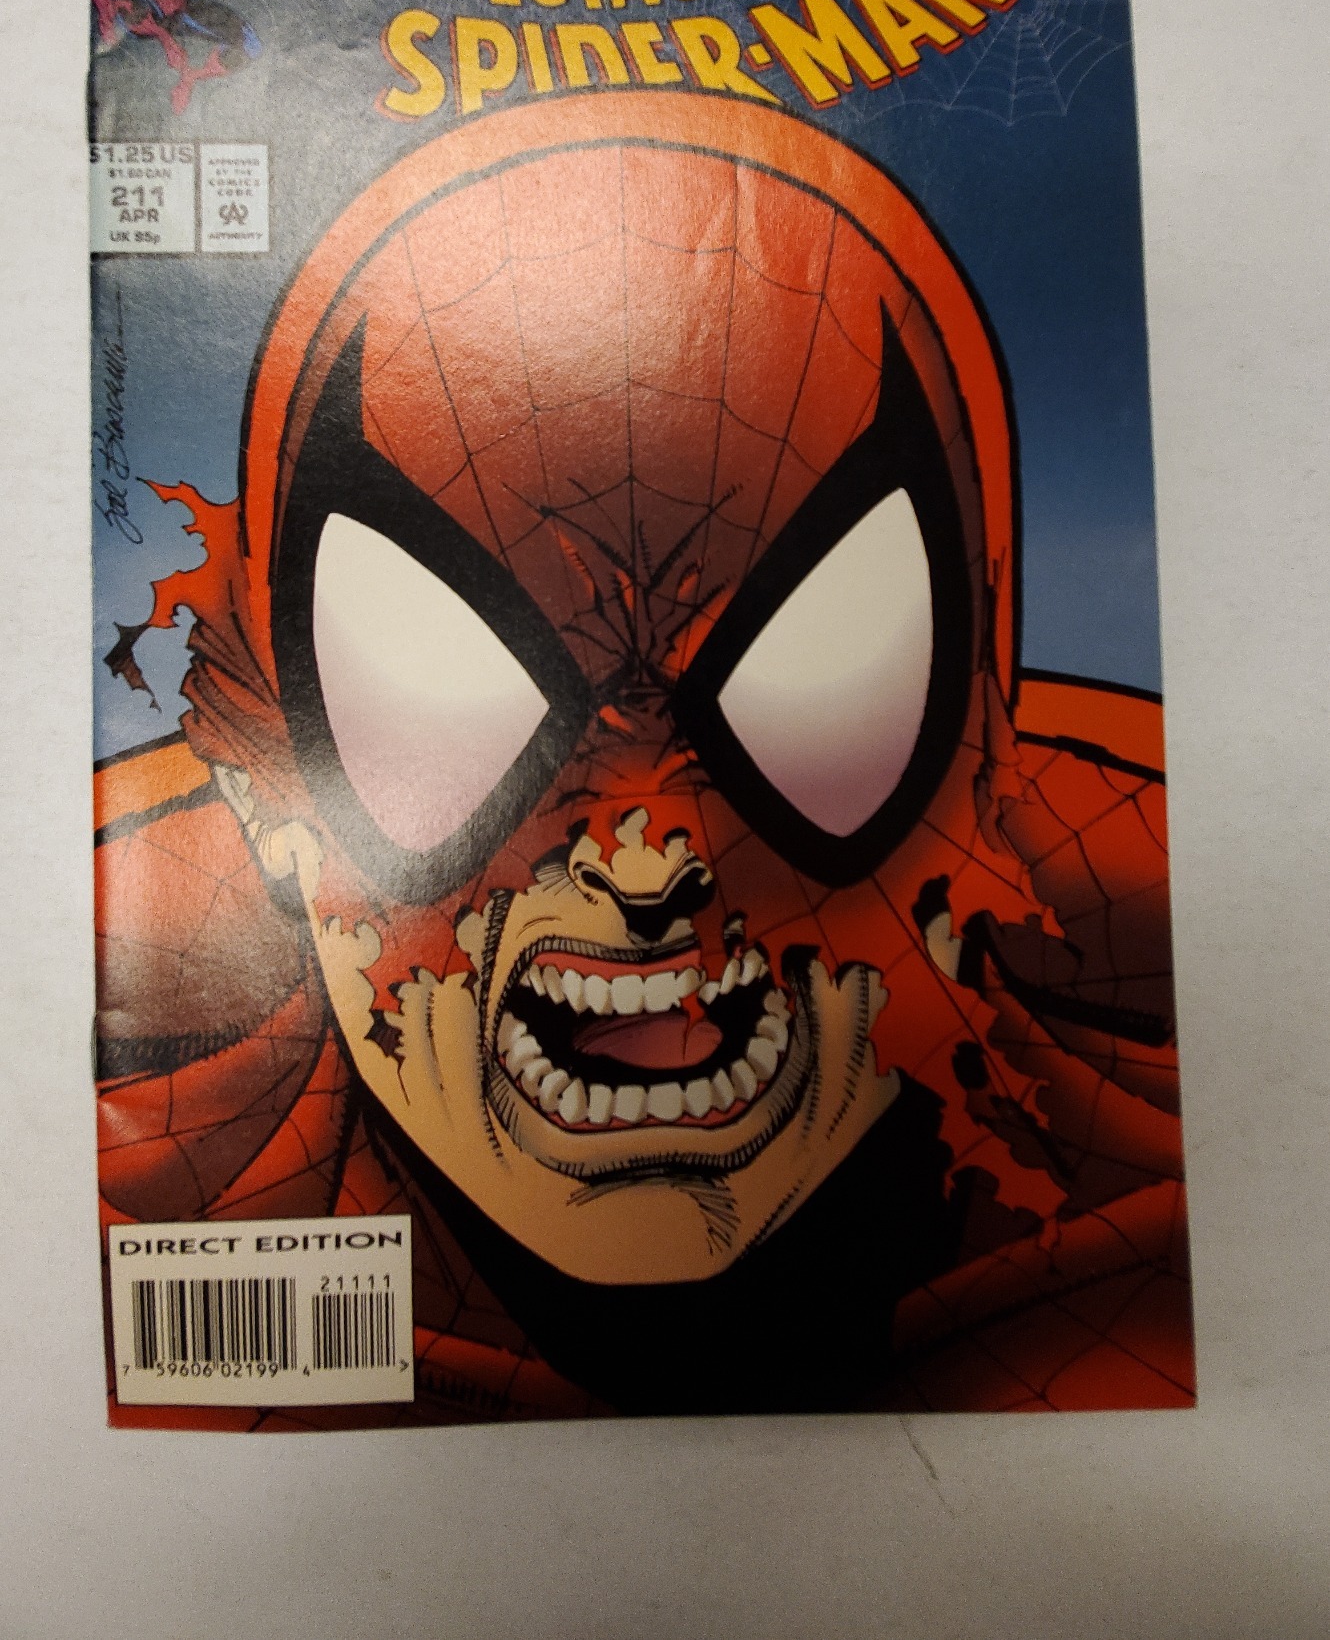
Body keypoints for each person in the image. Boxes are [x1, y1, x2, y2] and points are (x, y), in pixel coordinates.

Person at [96, 92, 1191, 1424]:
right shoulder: (110, 1246)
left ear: (979, 753)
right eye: (447, 690)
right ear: (267, 789)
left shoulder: (1194, 1240)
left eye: (815, 679)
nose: (646, 858)